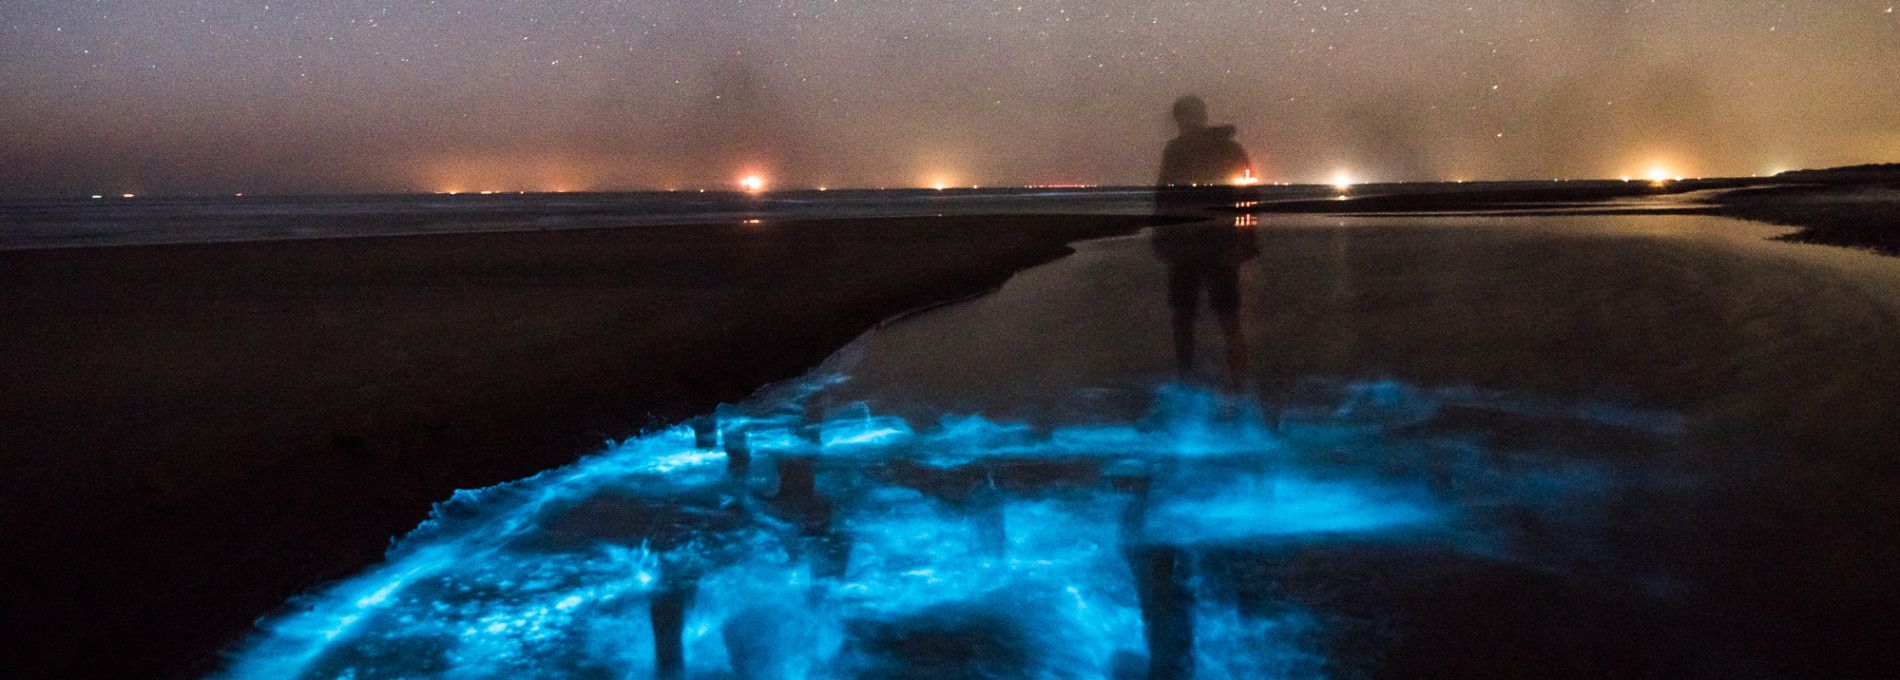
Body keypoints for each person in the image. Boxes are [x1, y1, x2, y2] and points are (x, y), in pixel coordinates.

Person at [1151, 95, 1257, 391]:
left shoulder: (1176, 150)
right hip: (1219, 244)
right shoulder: (1230, 149)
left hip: (1189, 246)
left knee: (1186, 318)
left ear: (1180, 119)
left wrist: (1162, 236)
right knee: (1226, 317)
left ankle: (1189, 383)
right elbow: (1248, 195)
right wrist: (1246, 239)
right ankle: (1238, 385)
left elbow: (1165, 197)